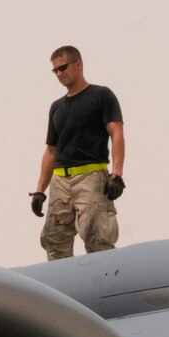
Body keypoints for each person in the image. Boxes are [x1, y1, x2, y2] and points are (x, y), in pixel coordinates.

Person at [30, 46, 125, 259]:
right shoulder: (57, 107)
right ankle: (61, 288)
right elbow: (51, 150)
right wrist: (39, 191)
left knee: (98, 238)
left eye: (63, 67)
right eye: (55, 70)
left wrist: (116, 174)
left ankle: (106, 285)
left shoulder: (101, 95)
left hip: (90, 176)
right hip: (60, 180)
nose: (59, 73)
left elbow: (116, 132)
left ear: (78, 64)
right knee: (54, 241)